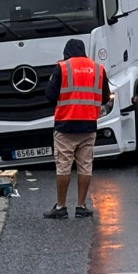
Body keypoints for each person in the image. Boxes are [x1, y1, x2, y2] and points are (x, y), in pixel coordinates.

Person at [43, 38, 112, 219]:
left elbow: (49, 95)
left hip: (66, 125)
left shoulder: (62, 68)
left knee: (63, 166)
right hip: (89, 124)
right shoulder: (98, 69)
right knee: (85, 166)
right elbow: (106, 97)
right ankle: (81, 206)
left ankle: (61, 207)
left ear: (67, 53)